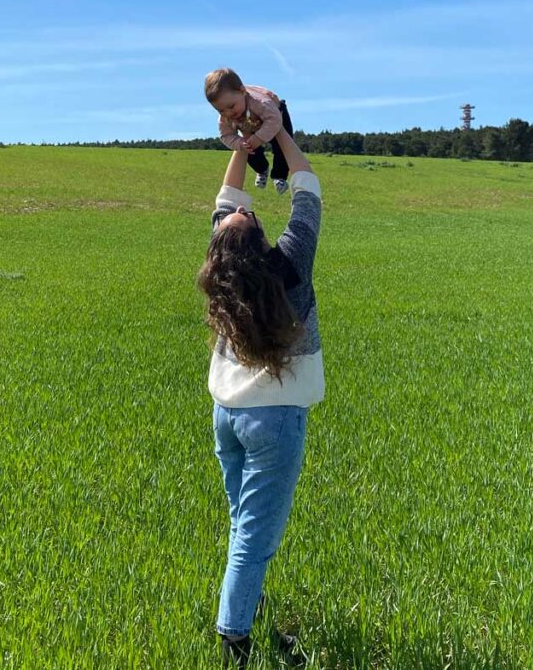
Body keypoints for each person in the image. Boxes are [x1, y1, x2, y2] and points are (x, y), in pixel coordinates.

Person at [196, 128, 323, 668]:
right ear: (258, 239)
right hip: (274, 420)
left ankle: (244, 605)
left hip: (228, 412)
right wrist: (281, 135)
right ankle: (235, 641)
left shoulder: (220, 272)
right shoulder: (287, 267)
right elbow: (308, 193)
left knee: (242, 523)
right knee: (255, 532)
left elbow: (227, 203)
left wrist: (241, 152)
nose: (234, 213)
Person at [204, 67, 296, 195]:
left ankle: (279, 176)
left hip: (275, 115)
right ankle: (262, 169)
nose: (228, 113)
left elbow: (274, 120)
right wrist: (239, 143)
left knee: (282, 146)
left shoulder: (261, 103)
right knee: (247, 148)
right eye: (221, 110)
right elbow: (226, 135)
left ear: (242, 92)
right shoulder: (226, 116)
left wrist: (259, 138)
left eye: (231, 106)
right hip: (249, 122)